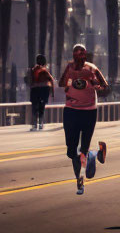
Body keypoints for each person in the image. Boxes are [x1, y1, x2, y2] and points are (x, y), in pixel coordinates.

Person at [59, 44, 109, 194]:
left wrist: (94, 84)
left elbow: (105, 86)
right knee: (71, 151)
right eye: (76, 55)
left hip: (88, 112)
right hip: (70, 111)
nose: (79, 58)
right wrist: (71, 80)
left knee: (83, 150)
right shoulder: (69, 68)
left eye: (82, 55)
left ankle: (79, 182)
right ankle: (95, 154)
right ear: (73, 55)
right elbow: (61, 83)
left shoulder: (92, 68)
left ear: (85, 55)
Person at [29, 54, 54, 131]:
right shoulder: (45, 70)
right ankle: (40, 123)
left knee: (34, 107)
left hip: (34, 90)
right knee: (41, 106)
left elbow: (30, 81)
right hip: (44, 90)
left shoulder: (33, 70)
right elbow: (51, 80)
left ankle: (34, 124)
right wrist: (52, 92)